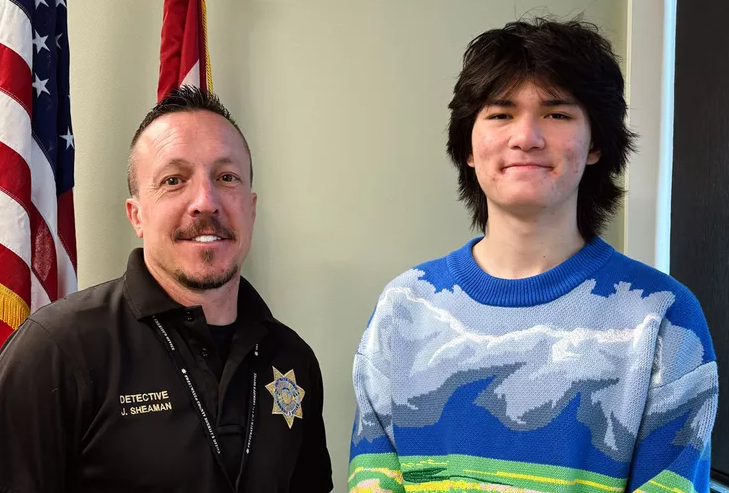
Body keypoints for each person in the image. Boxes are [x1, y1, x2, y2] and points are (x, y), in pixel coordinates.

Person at [348, 17, 718, 493]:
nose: (526, 137)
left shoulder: (665, 319)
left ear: (596, 144)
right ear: (468, 146)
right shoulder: (403, 309)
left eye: (557, 114)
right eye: (500, 114)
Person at [0, 86, 333, 493]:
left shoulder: (293, 358)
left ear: (251, 208)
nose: (205, 201)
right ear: (136, 216)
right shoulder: (56, 350)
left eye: (227, 178)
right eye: (174, 180)